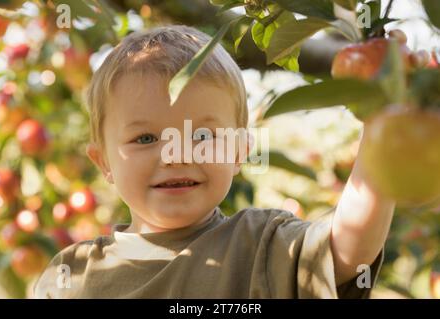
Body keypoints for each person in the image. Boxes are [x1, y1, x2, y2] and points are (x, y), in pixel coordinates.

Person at [33, 25, 395, 298]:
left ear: (238, 150)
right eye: (145, 138)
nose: (176, 154)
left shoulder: (262, 246)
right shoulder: (72, 274)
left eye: (203, 136)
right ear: (104, 162)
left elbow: (349, 247)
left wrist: (386, 119)